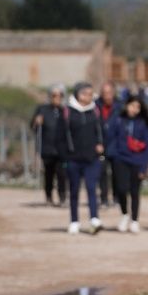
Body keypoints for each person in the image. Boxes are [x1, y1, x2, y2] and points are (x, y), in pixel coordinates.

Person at [59, 82, 104, 235]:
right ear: (77, 94)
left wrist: (100, 144)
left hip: (92, 158)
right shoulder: (67, 111)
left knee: (92, 188)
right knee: (74, 190)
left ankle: (94, 219)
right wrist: (65, 155)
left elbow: (100, 130)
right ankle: (74, 221)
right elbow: (61, 135)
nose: (88, 97)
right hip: (73, 158)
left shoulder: (95, 110)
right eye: (85, 94)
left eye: (91, 94)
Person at [111, 95, 148, 233]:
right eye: (132, 106)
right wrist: (113, 155)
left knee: (135, 191)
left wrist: (144, 166)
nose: (134, 109)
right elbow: (111, 137)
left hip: (137, 161)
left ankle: (134, 220)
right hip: (120, 160)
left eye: (137, 107)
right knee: (121, 189)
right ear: (126, 105)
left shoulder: (143, 123)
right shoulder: (119, 120)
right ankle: (125, 214)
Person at [31, 84, 67, 206]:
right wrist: (37, 122)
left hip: (61, 149)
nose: (57, 98)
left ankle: (62, 197)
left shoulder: (65, 111)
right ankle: (48, 197)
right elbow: (33, 127)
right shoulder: (42, 109)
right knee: (49, 174)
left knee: (62, 174)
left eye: (59, 95)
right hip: (47, 148)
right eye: (54, 95)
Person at [96, 82, 123, 207]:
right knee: (102, 173)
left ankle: (117, 198)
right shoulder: (95, 106)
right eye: (104, 93)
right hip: (101, 144)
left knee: (117, 173)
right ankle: (104, 198)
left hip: (116, 145)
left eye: (109, 93)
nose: (107, 96)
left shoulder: (120, 106)